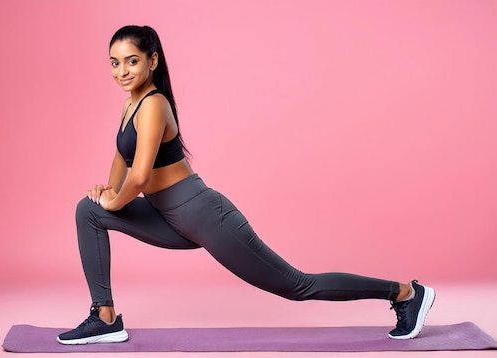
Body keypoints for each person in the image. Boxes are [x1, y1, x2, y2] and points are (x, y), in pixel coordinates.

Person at [57, 25, 435, 345]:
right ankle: (105, 318)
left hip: (203, 214)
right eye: (114, 62)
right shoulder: (130, 105)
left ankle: (405, 292)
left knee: (297, 285)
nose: (122, 70)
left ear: (152, 61)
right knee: (87, 210)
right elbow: (123, 158)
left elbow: (138, 178)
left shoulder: (155, 104)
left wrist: (115, 201)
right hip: (167, 215)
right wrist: (105, 192)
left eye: (132, 61)